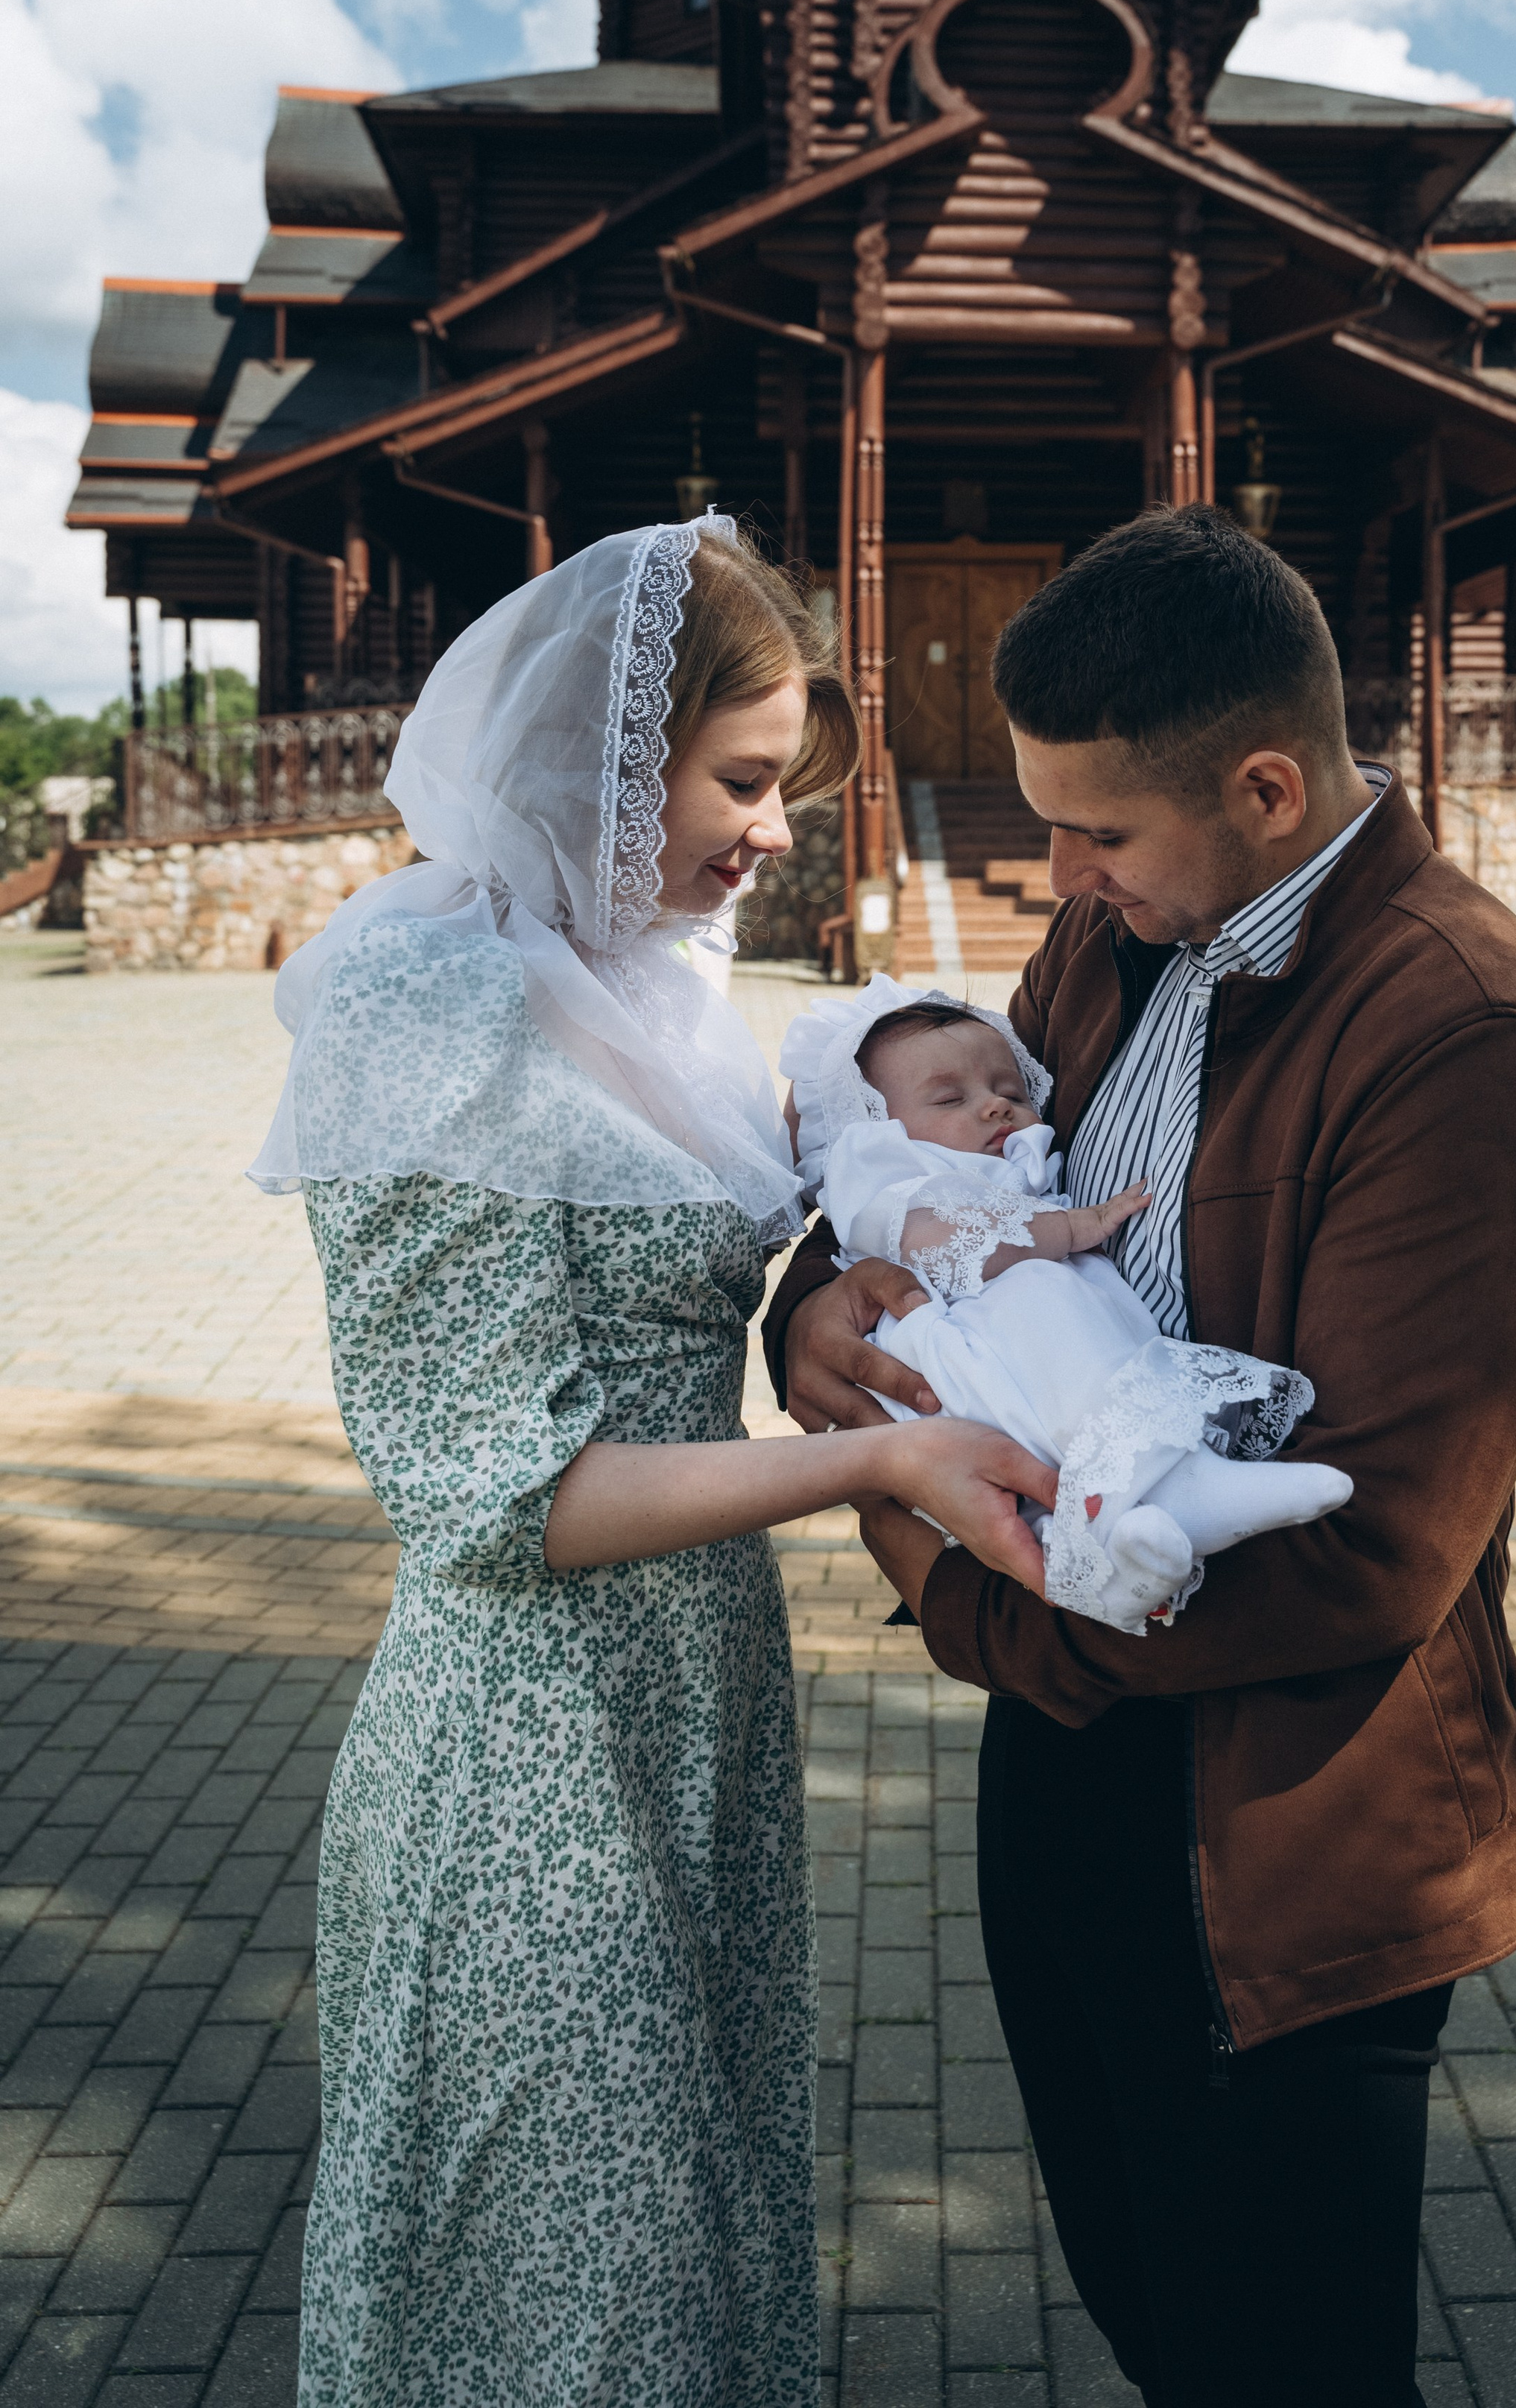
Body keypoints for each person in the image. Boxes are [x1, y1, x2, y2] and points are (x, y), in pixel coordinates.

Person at [765, 511, 1516, 2408]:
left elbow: (1369, 1547)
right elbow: (937, 1189)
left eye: (1094, 831)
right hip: (1068, 1763)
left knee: (1278, 2366)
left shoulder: (1462, 1030)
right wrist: (811, 1314)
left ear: (1261, 782)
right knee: (1151, 2315)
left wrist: (962, 1588)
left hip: (1293, 1828)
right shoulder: (1107, 933)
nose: (1046, 870)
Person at [253, 516, 1056, 2408]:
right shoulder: (422, 999)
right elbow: (490, 1491)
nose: (774, 829)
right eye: (745, 778)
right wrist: (901, 1455)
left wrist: (846, 1292)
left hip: (695, 1694)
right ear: (607, 758)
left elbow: (731, 1261)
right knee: (560, 2300)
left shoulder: (661, 985)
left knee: (678, 2250)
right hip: (527, 1742)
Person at [779, 976, 1348, 1630]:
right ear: (873, 1129)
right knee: (1047, 1302)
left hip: (1009, 1370)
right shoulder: (886, 1176)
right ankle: (1184, 1487)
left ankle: (1124, 1562)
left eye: (1010, 1090)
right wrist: (1073, 1227)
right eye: (950, 1097)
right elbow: (946, 1243)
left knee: (1076, 1366)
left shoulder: (1004, 1158)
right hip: (963, 1364)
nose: (994, 1106)